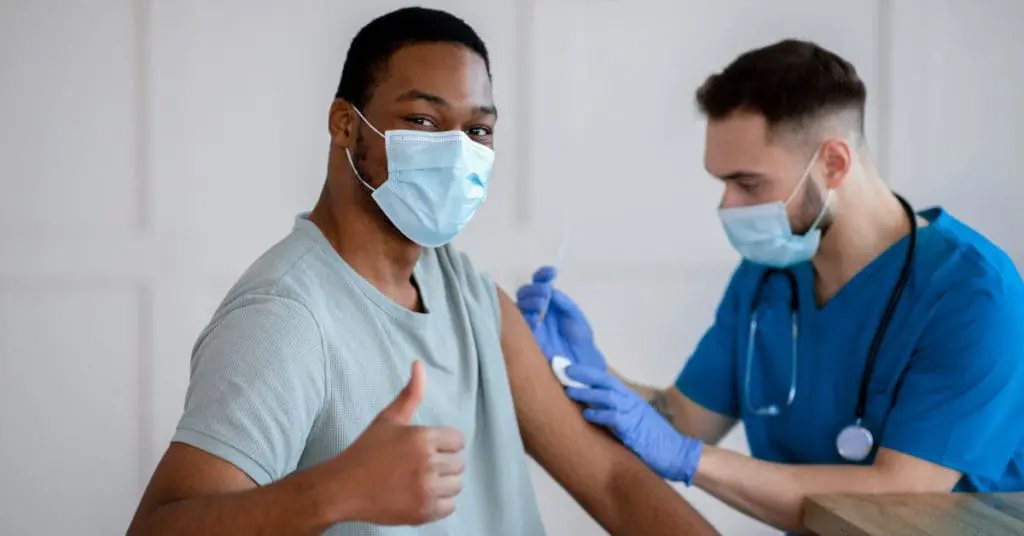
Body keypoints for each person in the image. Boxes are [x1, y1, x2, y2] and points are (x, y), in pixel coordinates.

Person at [125, 7, 718, 536]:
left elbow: (612, 482)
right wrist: (336, 492)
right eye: (424, 121)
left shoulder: (468, 294)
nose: (459, 151)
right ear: (345, 125)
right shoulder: (286, 317)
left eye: (478, 130)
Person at [516, 39, 1024, 534]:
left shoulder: (975, 293)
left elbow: (905, 494)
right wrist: (584, 370)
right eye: (722, 183)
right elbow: (682, 420)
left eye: (749, 183)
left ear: (834, 163)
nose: (728, 207)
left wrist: (689, 461)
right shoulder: (768, 274)